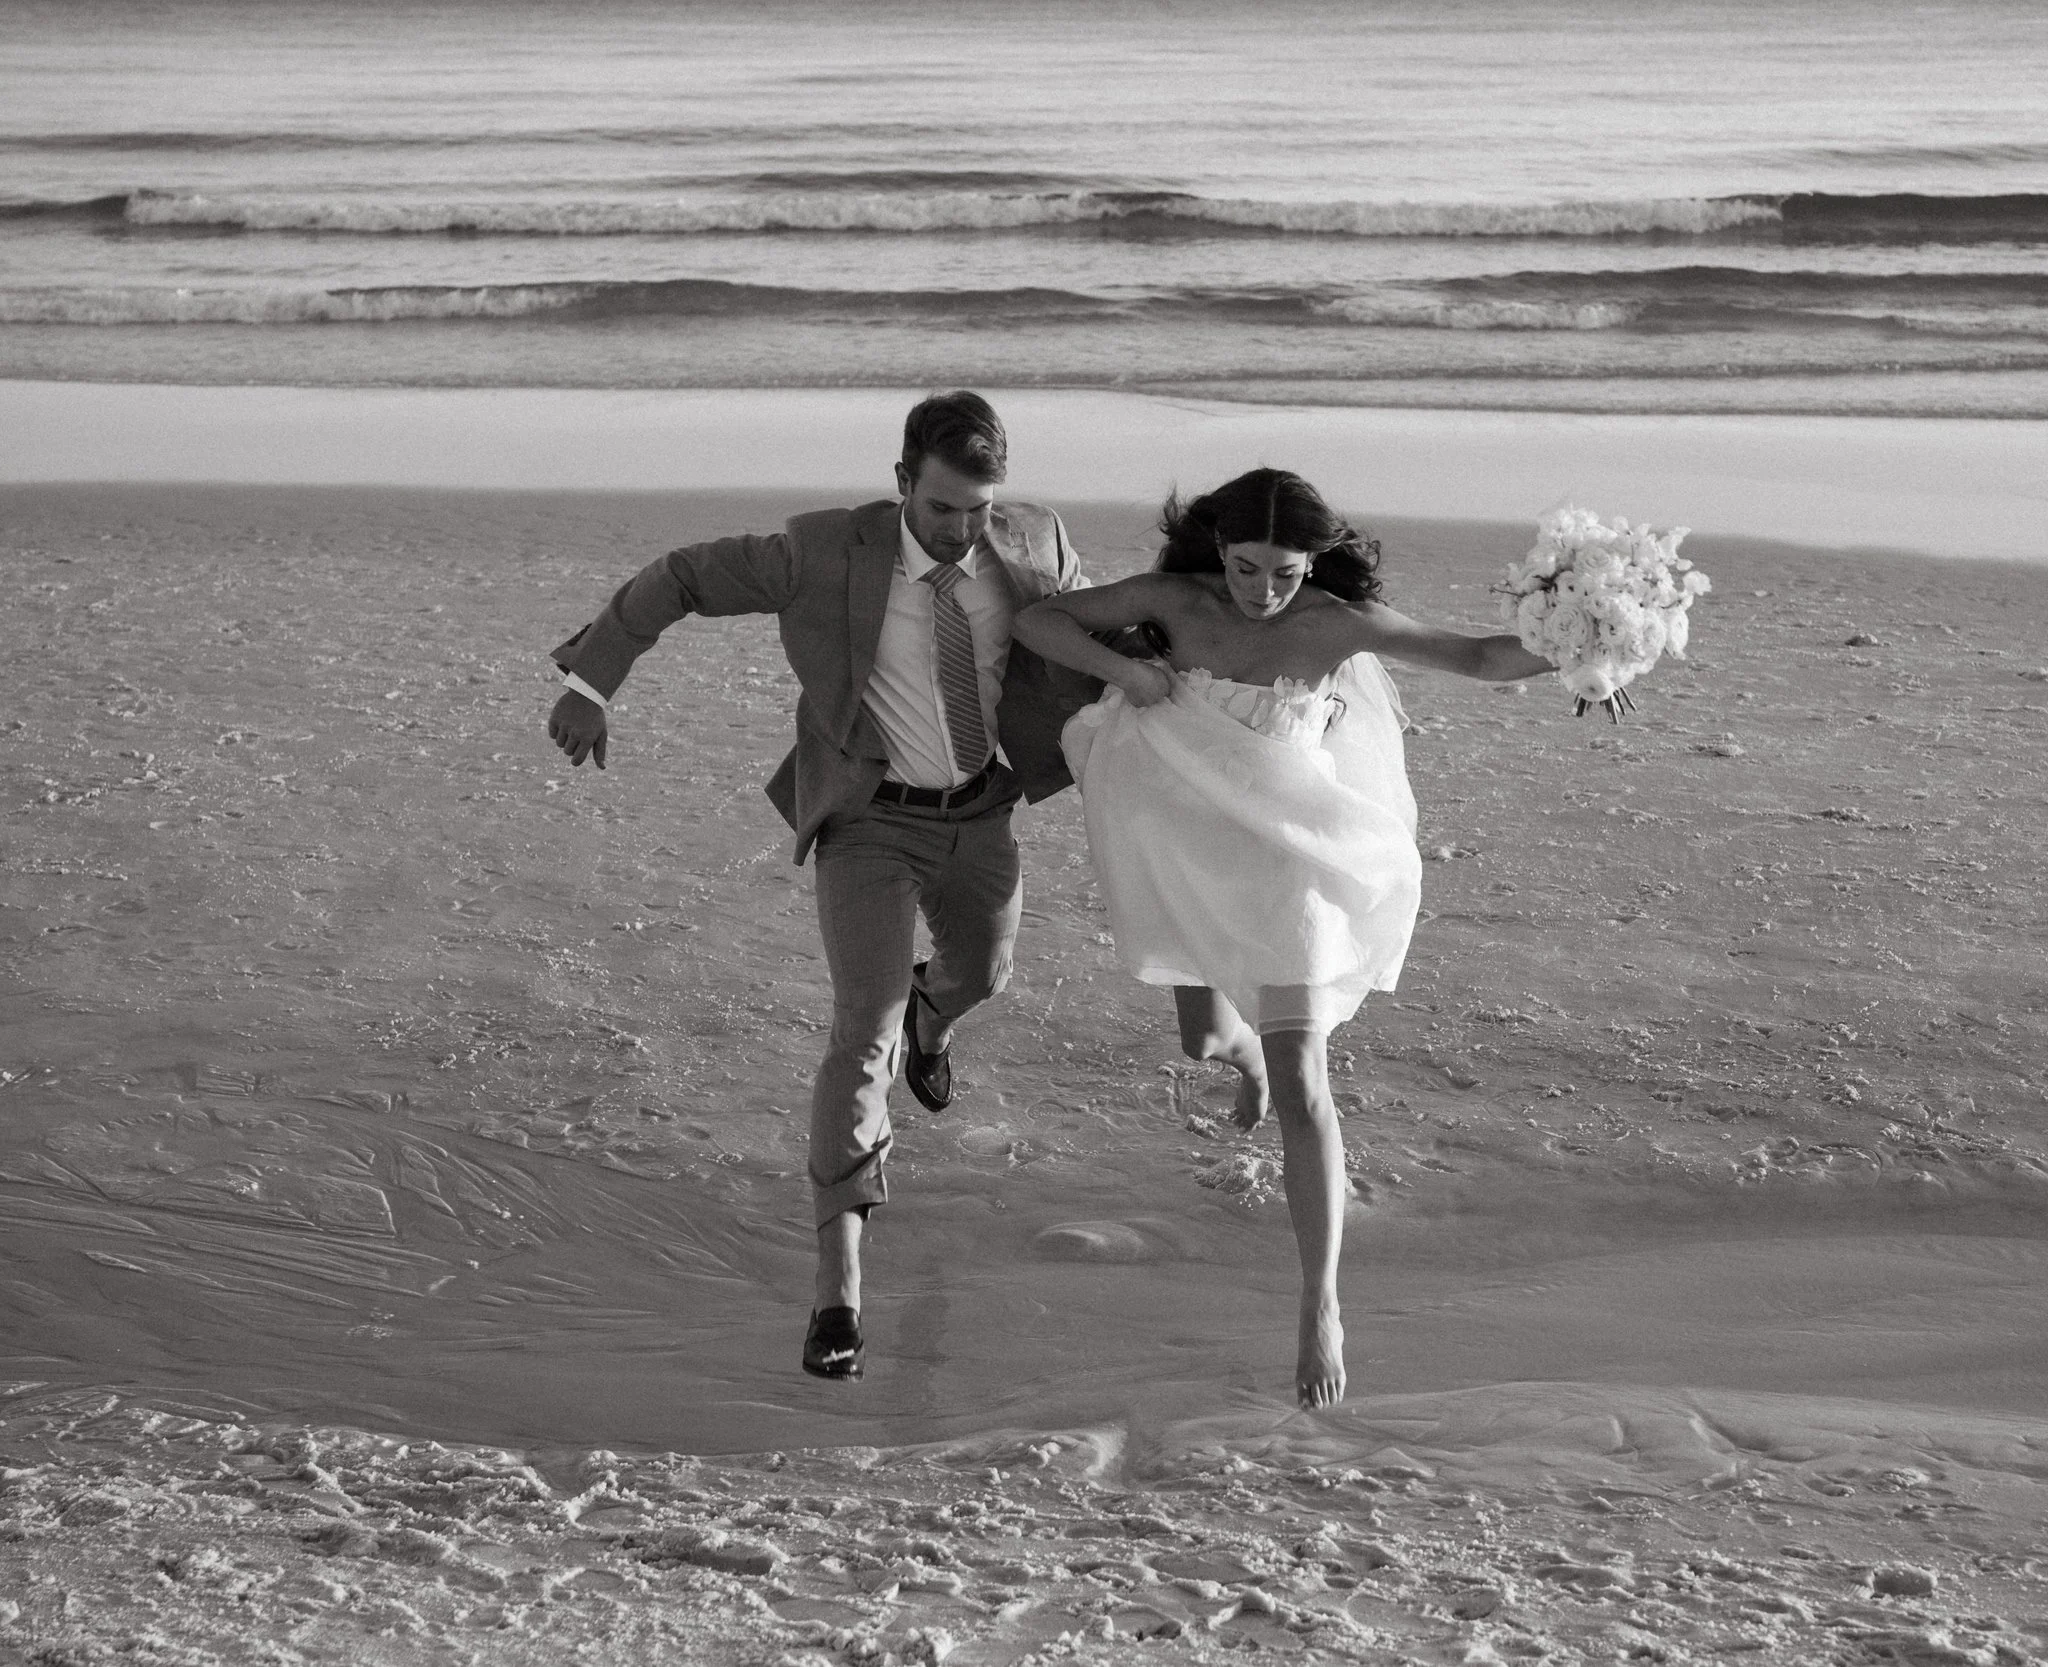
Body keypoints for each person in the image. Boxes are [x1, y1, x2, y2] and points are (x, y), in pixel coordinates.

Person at [545, 391, 1097, 1383]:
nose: (961, 532)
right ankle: (837, 1284)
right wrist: (592, 680)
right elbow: (681, 577)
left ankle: (938, 1017)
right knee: (862, 1030)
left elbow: (1104, 633)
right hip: (867, 821)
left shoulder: (1032, 542)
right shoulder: (818, 552)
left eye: (976, 510)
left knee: (981, 977)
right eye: (940, 510)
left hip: (980, 813)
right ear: (899, 486)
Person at [1010, 468, 1558, 1408]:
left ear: (1316, 563)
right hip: (1193, 847)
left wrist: (1590, 651)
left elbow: (1476, 657)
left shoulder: (1337, 625)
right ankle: (1248, 1059)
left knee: (1308, 1081)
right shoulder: (1174, 602)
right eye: (1246, 567)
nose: (1263, 591)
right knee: (1206, 1038)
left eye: (1286, 572)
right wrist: (1132, 671)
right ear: (1216, 548)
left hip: (1292, 864)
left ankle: (1320, 1303)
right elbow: (1041, 622)